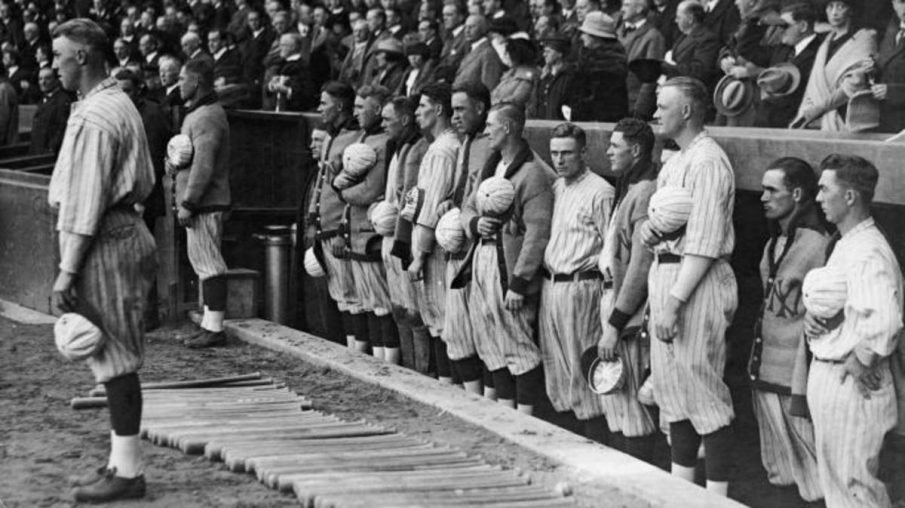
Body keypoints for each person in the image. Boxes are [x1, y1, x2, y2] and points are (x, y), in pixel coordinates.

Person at [49, 18, 157, 503]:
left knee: (115, 357)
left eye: (59, 57)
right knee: (110, 355)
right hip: (116, 232)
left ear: (84, 58)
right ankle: (119, 461)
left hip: (107, 238)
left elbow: (86, 200)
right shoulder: (106, 102)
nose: (54, 66)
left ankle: (129, 474)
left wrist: (67, 270)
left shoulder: (99, 115)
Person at [642, 77, 736, 496]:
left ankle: (716, 499)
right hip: (667, 272)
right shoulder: (676, 159)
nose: (655, 113)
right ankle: (682, 494)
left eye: (663, 106)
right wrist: (650, 232)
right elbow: (667, 225)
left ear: (687, 111)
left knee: (704, 395)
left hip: (695, 282)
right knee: (673, 394)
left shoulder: (708, 160)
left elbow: (705, 241)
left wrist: (675, 301)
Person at [805, 154, 902, 508]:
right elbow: (845, 305)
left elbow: (886, 321)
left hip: (852, 384)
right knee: (841, 489)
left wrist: (861, 360)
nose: (817, 198)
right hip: (833, 375)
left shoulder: (868, 250)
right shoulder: (848, 243)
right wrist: (813, 319)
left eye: (824, 189)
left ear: (849, 197)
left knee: (856, 490)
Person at [455, 102, 553, 415]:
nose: (486, 132)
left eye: (491, 126)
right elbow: (468, 207)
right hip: (482, 259)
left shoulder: (532, 172)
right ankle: (500, 413)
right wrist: (474, 224)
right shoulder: (490, 164)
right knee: (489, 340)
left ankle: (524, 421)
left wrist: (519, 282)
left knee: (517, 344)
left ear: (508, 128)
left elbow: (537, 234)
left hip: (508, 270)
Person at [751, 157, 826, 502]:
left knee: (814, 478)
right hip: (766, 375)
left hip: (795, 383)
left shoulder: (819, 245)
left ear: (797, 194)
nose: (763, 196)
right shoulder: (775, 242)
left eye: (772, 190)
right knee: (780, 473)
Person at [538, 122, 613, 443]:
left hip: (583, 286)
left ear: (584, 152)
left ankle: (593, 448)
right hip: (550, 285)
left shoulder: (600, 190)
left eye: (567, 153)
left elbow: (612, 250)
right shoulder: (557, 187)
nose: (559, 160)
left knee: (583, 368)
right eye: (554, 153)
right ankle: (568, 446)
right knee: (557, 371)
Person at [596, 118, 659, 461]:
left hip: (628, 308)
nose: (607, 151)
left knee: (631, 404)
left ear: (635, 151)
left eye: (615, 146)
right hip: (611, 295)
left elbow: (640, 265)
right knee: (615, 404)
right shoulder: (630, 185)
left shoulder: (646, 189)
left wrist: (617, 323)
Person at [173, 58, 231, 349]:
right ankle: (209, 324)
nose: (179, 84)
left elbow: (204, 166)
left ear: (195, 82)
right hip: (201, 203)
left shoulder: (207, 115)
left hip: (206, 203)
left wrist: (189, 202)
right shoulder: (198, 113)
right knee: (203, 264)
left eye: (183, 79)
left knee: (210, 266)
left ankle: (216, 328)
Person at [337, 84, 396, 361]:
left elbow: (370, 191)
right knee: (367, 303)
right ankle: (369, 361)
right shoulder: (362, 138)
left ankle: (389, 365)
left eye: (362, 107)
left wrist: (341, 192)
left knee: (381, 304)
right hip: (354, 230)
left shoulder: (383, 142)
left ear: (378, 109)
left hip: (371, 231)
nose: (356, 112)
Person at [408, 83, 461, 384]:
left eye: (423, 105)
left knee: (442, 323)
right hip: (433, 242)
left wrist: (420, 254)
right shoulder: (441, 145)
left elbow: (430, 207)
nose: (417, 111)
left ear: (439, 109)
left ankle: (449, 390)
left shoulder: (443, 149)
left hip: (437, 248)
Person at [444, 82, 495, 397]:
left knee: (485, 334)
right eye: (452, 110)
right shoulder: (467, 141)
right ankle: (470, 398)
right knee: (457, 333)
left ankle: (486, 404)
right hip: (458, 244)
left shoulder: (492, 143)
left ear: (480, 108)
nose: (455, 117)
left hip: (481, 247)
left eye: (461, 109)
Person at [309, 81, 365, 351]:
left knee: (352, 297)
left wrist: (343, 230)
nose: (320, 108)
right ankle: (347, 349)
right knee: (340, 296)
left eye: (324, 103)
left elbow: (351, 191)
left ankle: (358, 354)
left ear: (340, 106)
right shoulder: (333, 135)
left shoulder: (355, 139)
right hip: (325, 226)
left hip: (340, 229)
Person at [380, 95, 432, 372]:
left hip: (408, 239)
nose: (383, 124)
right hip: (392, 235)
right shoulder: (398, 147)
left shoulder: (419, 149)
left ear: (404, 119)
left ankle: (422, 371)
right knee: (399, 308)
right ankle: (407, 368)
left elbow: (412, 198)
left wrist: (403, 241)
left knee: (415, 313)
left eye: (388, 119)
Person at [792, 0, 878, 131]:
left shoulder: (864, 38)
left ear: (851, 10)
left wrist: (820, 108)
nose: (834, 12)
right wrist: (805, 113)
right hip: (815, 120)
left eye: (841, 6)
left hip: (846, 117)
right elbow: (812, 86)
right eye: (830, 6)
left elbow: (855, 83)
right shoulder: (825, 43)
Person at [753, 2, 821, 128]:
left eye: (785, 26)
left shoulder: (820, 51)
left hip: (794, 124)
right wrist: (756, 22)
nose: (780, 31)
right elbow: (748, 52)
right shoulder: (782, 49)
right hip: (766, 120)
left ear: (803, 26)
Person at [568, 11, 628, 121]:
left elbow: (599, 103)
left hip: (600, 123)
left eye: (585, 33)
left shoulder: (609, 66)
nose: (582, 37)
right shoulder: (587, 56)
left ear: (596, 37)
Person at [618, 0, 666, 120]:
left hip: (633, 104)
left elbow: (651, 77)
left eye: (627, 5)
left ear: (639, 9)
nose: (622, 9)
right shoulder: (618, 31)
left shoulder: (653, 36)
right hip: (615, 101)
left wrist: (640, 110)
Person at [663, 1, 721, 101]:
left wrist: (670, 68)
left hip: (693, 97)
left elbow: (701, 70)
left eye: (679, 17)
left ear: (690, 19)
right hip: (677, 93)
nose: (676, 21)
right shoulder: (682, 36)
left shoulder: (707, 39)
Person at [870, 0, 905, 133]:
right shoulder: (892, 31)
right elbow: (888, 67)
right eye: (901, 2)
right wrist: (872, 68)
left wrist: (891, 92)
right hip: (886, 121)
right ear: (893, 4)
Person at [29, 67, 73, 155]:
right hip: (37, 151)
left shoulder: (63, 101)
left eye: (47, 78)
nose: (43, 82)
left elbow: (61, 129)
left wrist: (51, 150)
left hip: (49, 155)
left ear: (56, 80)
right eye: (40, 79)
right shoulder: (43, 99)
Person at [453, 14, 504, 90]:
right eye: (466, 27)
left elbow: (489, 85)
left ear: (483, 29)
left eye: (472, 27)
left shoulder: (488, 53)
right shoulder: (471, 48)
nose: (467, 31)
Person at [490, 37, 539, 114]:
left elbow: (517, 99)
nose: (506, 56)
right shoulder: (509, 74)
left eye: (508, 53)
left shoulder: (527, 77)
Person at [532, 35, 574, 120]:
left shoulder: (570, 76)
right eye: (544, 51)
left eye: (548, 52)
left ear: (559, 54)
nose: (544, 54)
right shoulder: (543, 76)